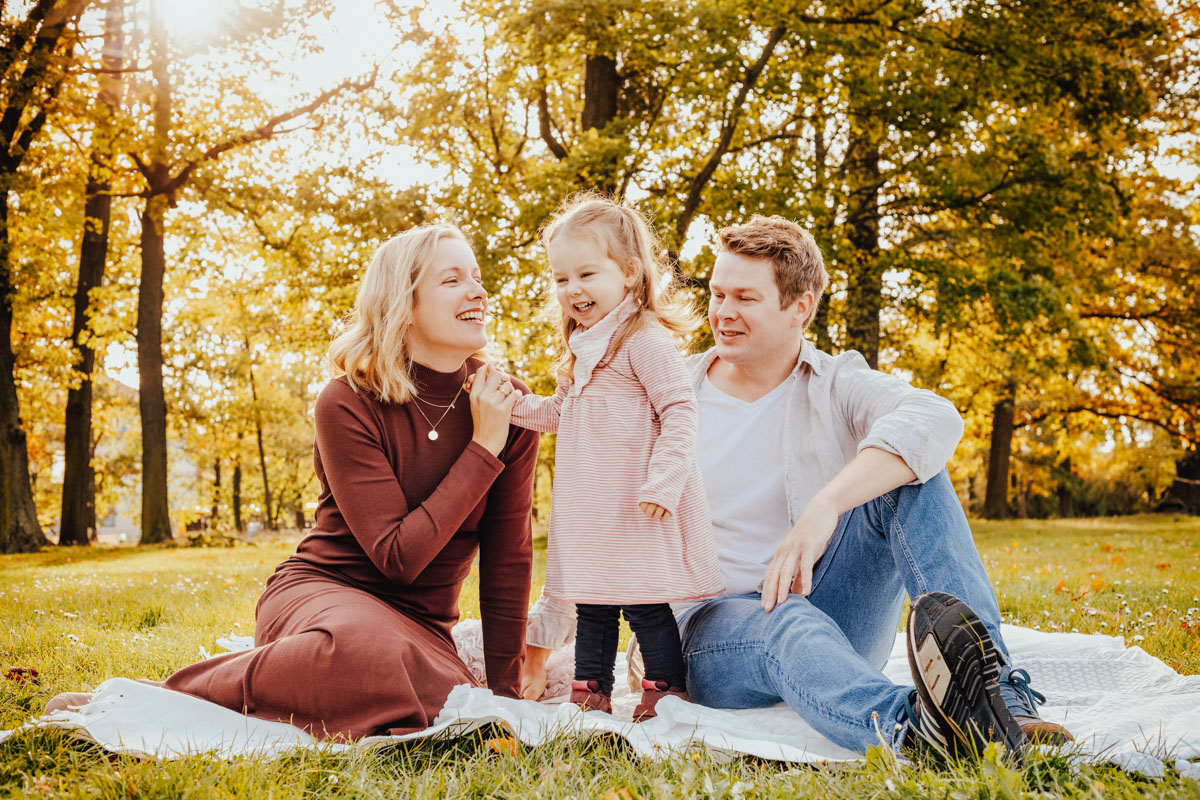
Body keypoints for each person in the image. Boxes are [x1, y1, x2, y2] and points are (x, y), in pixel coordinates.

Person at [522, 214, 1069, 760]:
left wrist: (826, 507)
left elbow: (932, 416)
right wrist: (541, 640)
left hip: (833, 605)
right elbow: (596, 509)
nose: (722, 312)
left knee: (911, 471)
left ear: (800, 307)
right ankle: (914, 729)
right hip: (709, 630)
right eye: (716, 294)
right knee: (785, 618)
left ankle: (999, 701)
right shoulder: (662, 388)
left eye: (745, 298)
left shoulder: (835, 383)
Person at [70, 224, 538, 739]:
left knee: (440, 695)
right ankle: (168, 695)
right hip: (323, 591)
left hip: (418, 629)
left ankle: (311, 675)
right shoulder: (347, 400)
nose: (478, 290)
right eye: (453, 280)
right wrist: (481, 450)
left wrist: (507, 697)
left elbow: (508, 560)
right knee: (368, 656)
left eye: (476, 276)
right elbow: (399, 557)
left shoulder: (507, 403)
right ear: (403, 304)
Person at [506, 195, 724, 721]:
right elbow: (560, 411)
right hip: (595, 512)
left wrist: (664, 482)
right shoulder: (583, 344)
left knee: (646, 604)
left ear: (628, 273)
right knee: (593, 603)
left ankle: (664, 690)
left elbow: (680, 408)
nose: (572, 289)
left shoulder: (640, 340)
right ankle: (590, 692)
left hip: (639, 505)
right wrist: (509, 406)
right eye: (561, 279)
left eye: (586, 273)